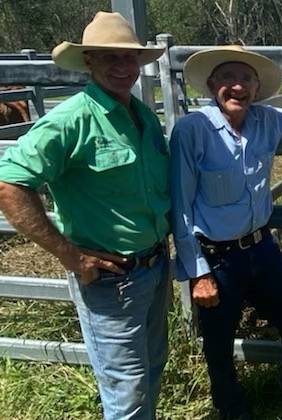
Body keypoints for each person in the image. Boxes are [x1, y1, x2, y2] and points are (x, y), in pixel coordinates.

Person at [0, 12, 171, 420]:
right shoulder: (70, 120)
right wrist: (70, 255)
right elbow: (9, 184)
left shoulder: (141, 115)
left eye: (128, 58)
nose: (121, 66)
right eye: (108, 57)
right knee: (126, 392)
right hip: (111, 279)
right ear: (89, 62)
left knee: (150, 368)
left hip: (153, 264)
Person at [170, 45, 282, 419]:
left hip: (261, 247)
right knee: (218, 343)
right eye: (227, 78)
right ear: (211, 85)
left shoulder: (268, 120)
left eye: (245, 79)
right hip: (216, 256)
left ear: (256, 86)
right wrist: (198, 272)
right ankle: (231, 407)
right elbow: (180, 207)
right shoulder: (192, 131)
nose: (236, 87)